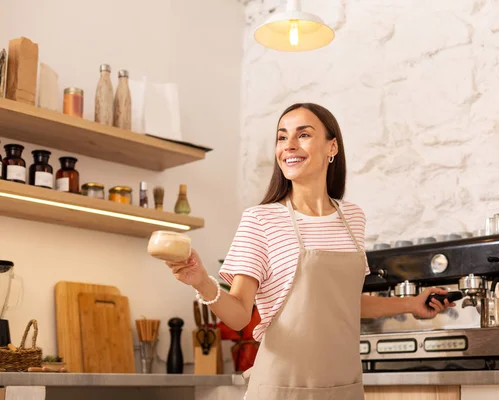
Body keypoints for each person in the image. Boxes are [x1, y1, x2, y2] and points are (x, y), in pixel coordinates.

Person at [166, 103, 455, 399]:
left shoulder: (352, 217)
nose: (289, 146)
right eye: (281, 137)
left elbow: (341, 302)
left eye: (303, 135)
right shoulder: (261, 219)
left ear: (332, 147)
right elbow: (240, 314)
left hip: (343, 385)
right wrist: (201, 280)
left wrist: (411, 304)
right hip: (281, 385)